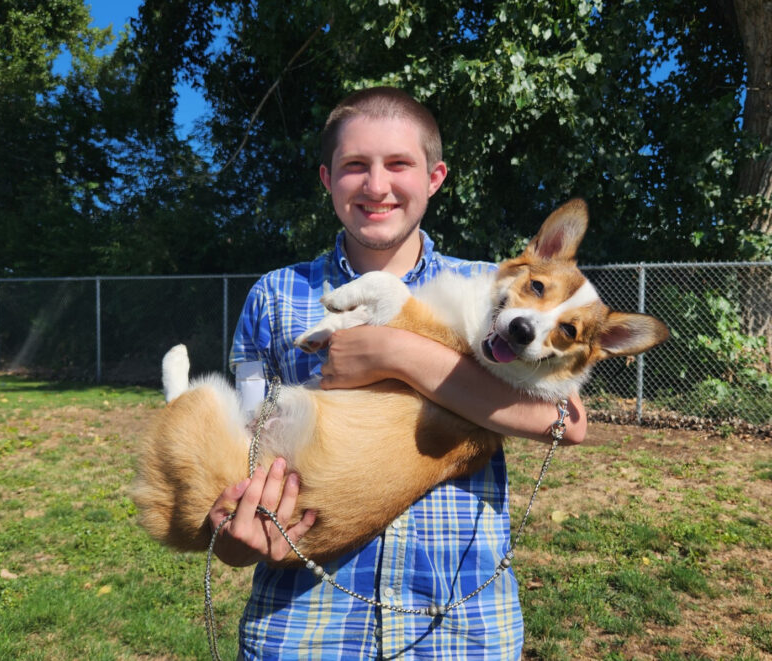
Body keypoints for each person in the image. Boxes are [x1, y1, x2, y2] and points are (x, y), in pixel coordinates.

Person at [209, 86, 587, 660]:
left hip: (460, 630)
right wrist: (237, 542)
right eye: (355, 165)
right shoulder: (275, 296)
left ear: (435, 178)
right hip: (305, 625)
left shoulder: (495, 287)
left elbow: (567, 420)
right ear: (326, 178)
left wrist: (398, 354)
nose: (377, 185)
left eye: (399, 164)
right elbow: (242, 448)